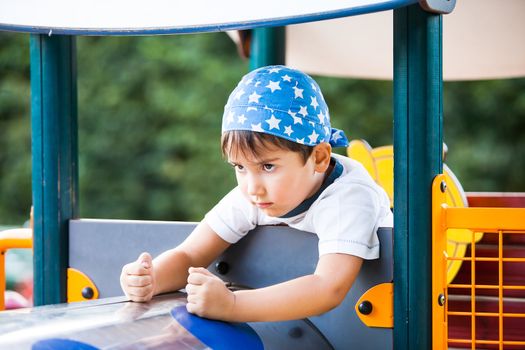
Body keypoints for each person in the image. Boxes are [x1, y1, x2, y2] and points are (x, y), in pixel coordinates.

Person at [120, 65, 393, 322]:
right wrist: (152, 278)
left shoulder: (349, 198)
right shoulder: (255, 194)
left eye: (268, 166)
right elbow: (191, 255)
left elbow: (327, 288)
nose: (252, 187)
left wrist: (232, 305)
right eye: (239, 167)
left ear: (319, 157)